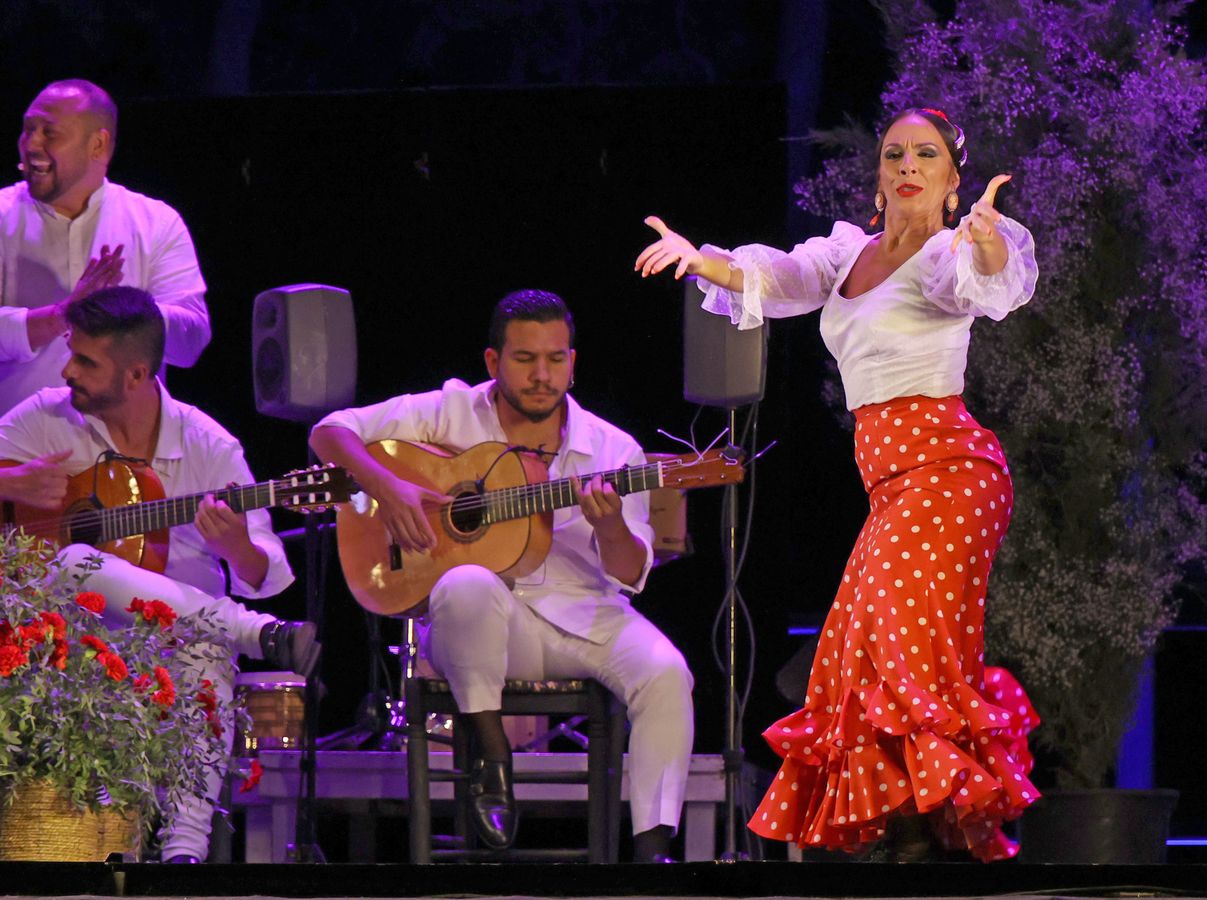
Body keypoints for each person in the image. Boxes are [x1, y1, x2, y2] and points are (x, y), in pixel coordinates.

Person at [636, 107, 1041, 861]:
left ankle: (924, 845)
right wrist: (700, 260)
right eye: (895, 154)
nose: (907, 166)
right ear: (881, 177)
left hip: (951, 472)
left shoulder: (950, 253)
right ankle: (906, 840)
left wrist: (987, 241)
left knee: (900, 657)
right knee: (860, 661)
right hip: (893, 489)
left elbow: (989, 281)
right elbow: (778, 276)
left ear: (953, 184)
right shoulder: (847, 253)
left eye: (926, 156)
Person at [309, 289, 693, 861]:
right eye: (525, 359)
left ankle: (653, 851)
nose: (542, 375)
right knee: (467, 584)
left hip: (584, 614)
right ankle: (492, 756)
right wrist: (386, 486)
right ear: (493, 362)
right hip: (480, 631)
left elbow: (631, 570)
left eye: (556, 359)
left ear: (572, 362)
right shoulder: (450, 411)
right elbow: (330, 432)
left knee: (667, 673)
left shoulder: (613, 449)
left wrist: (612, 529)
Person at [0, 286, 319, 863]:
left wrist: (237, 546)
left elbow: (265, 569)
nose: (67, 370)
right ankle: (255, 631)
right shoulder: (44, 416)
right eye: (71, 353)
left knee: (204, 656)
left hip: (172, 645)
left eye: (85, 361)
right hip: (68, 642)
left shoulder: (208, 445)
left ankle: (184, 855)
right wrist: (10, 484)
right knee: (75, 562)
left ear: (137, 373)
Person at [0, 79, 210, 413]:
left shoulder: (156, 222)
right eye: (28, 130)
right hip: (14, 454)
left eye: (49, 132)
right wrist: (60, 317)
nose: (32, 144)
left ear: (98, 145)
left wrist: (125, 314)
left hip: (126, 456)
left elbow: (192, 343)